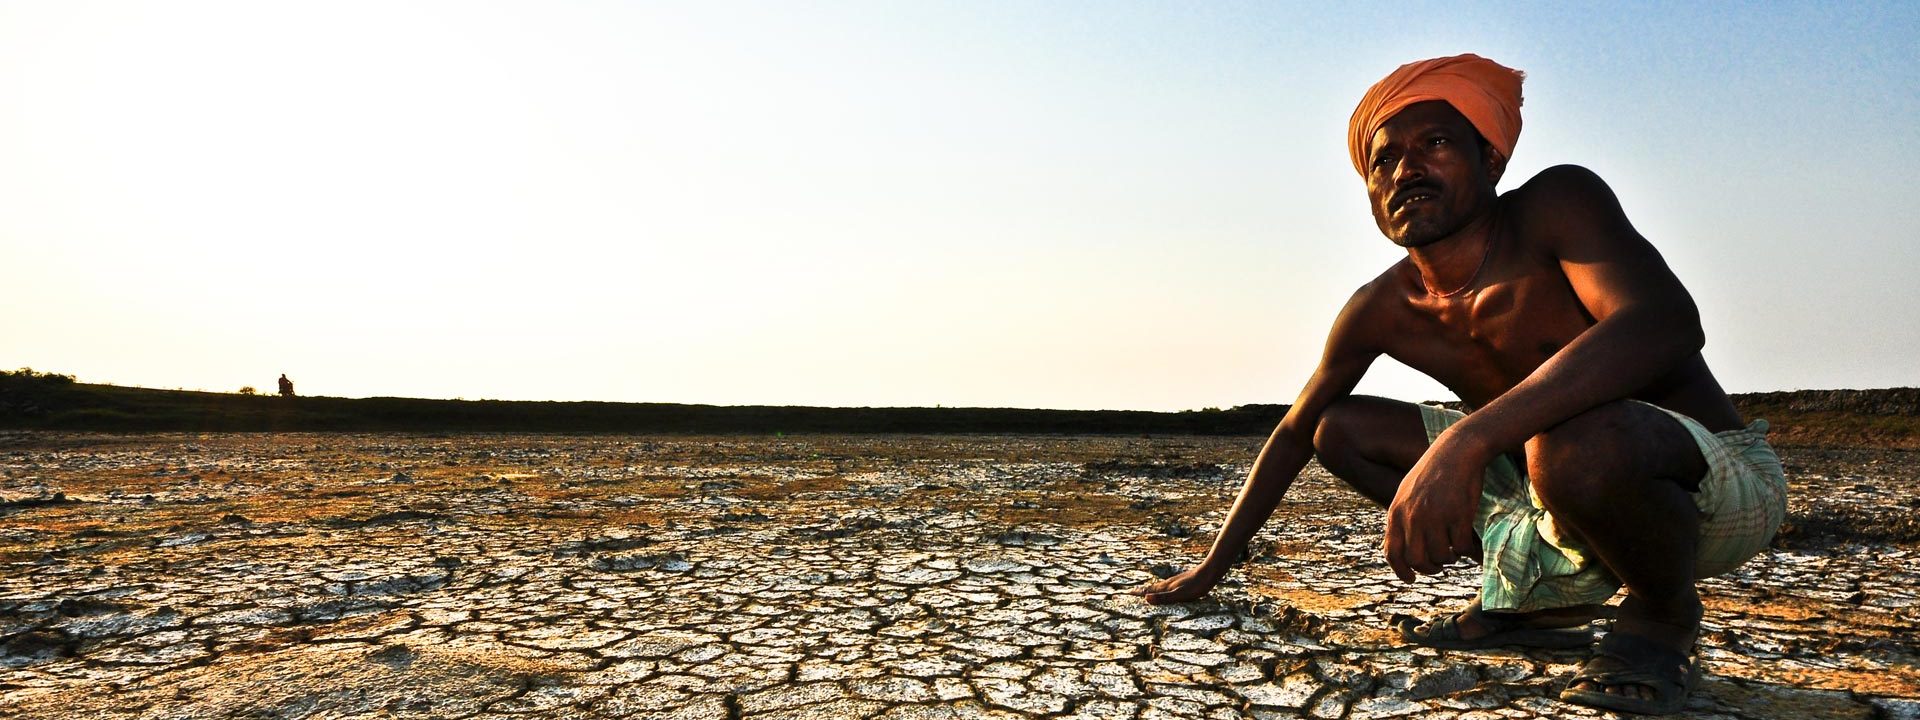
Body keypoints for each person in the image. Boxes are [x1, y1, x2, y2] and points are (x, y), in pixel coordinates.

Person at [1137, 54, 1785, 715]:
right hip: (1549, 486)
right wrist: (1212, 566)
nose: (1406, 170)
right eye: (1382, 160)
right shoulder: (1381, 308)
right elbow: (1295, 431)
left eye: (1436, 144)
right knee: (1341, 428)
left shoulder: (1556, 207)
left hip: (1708, 484)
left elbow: (1665, 323)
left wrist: (1469, 439)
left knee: (1569, 444)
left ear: (1491, 162)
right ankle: (1536, 601)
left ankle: (1663, 615)